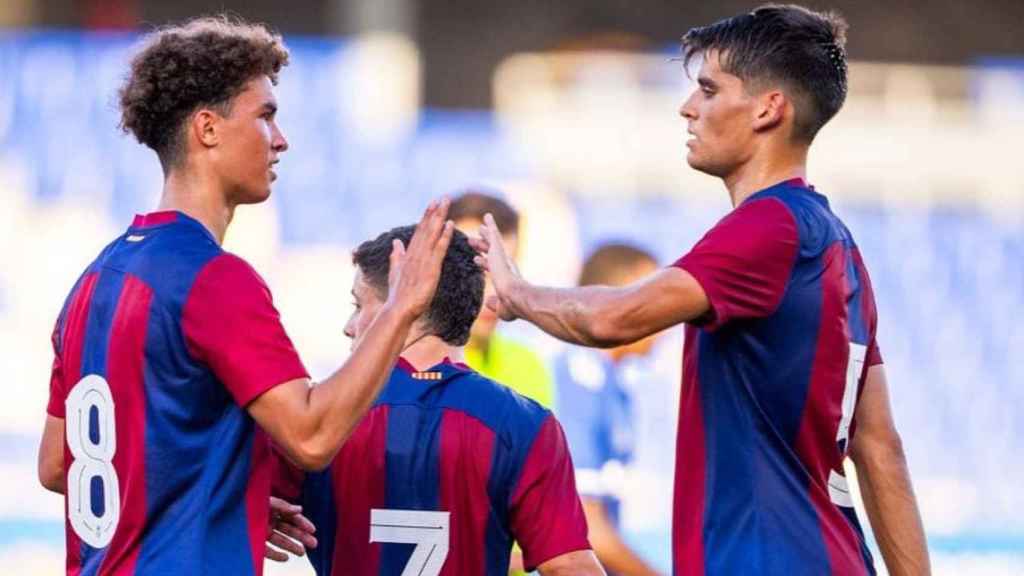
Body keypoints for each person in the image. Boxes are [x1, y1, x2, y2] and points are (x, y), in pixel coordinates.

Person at [473, 5, 931, 575]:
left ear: (769, 108)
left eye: (709, 90)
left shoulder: (770, 227)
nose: (688, 107)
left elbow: (614, 318)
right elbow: (879, 446)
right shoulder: (841, 249)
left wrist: (515, 292)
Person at [36, 16, 453, 574]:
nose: (281, 140)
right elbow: (310, 436)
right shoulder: (212, 279)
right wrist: (402, 308)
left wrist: (224, 498)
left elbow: (56, 465)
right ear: (208, 129)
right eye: (266, 116)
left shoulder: (93, 281)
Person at [268, 225, 606, 576]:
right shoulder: (523, 424)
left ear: (400, 306)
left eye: (358, 304)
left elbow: (224, 512)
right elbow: (570, 566)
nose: (350, 326)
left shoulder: (317, 416)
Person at [553, 244, 662, 576]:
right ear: (620, 303)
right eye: (656, 300)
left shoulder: (614, 385)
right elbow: (586, 530)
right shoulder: (578, 380)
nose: (670, 316)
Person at [449, 191, 555, 409]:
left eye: (504, 273)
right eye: (475, 270)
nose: (493, 292)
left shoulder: (528, 367)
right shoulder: (394, 368)